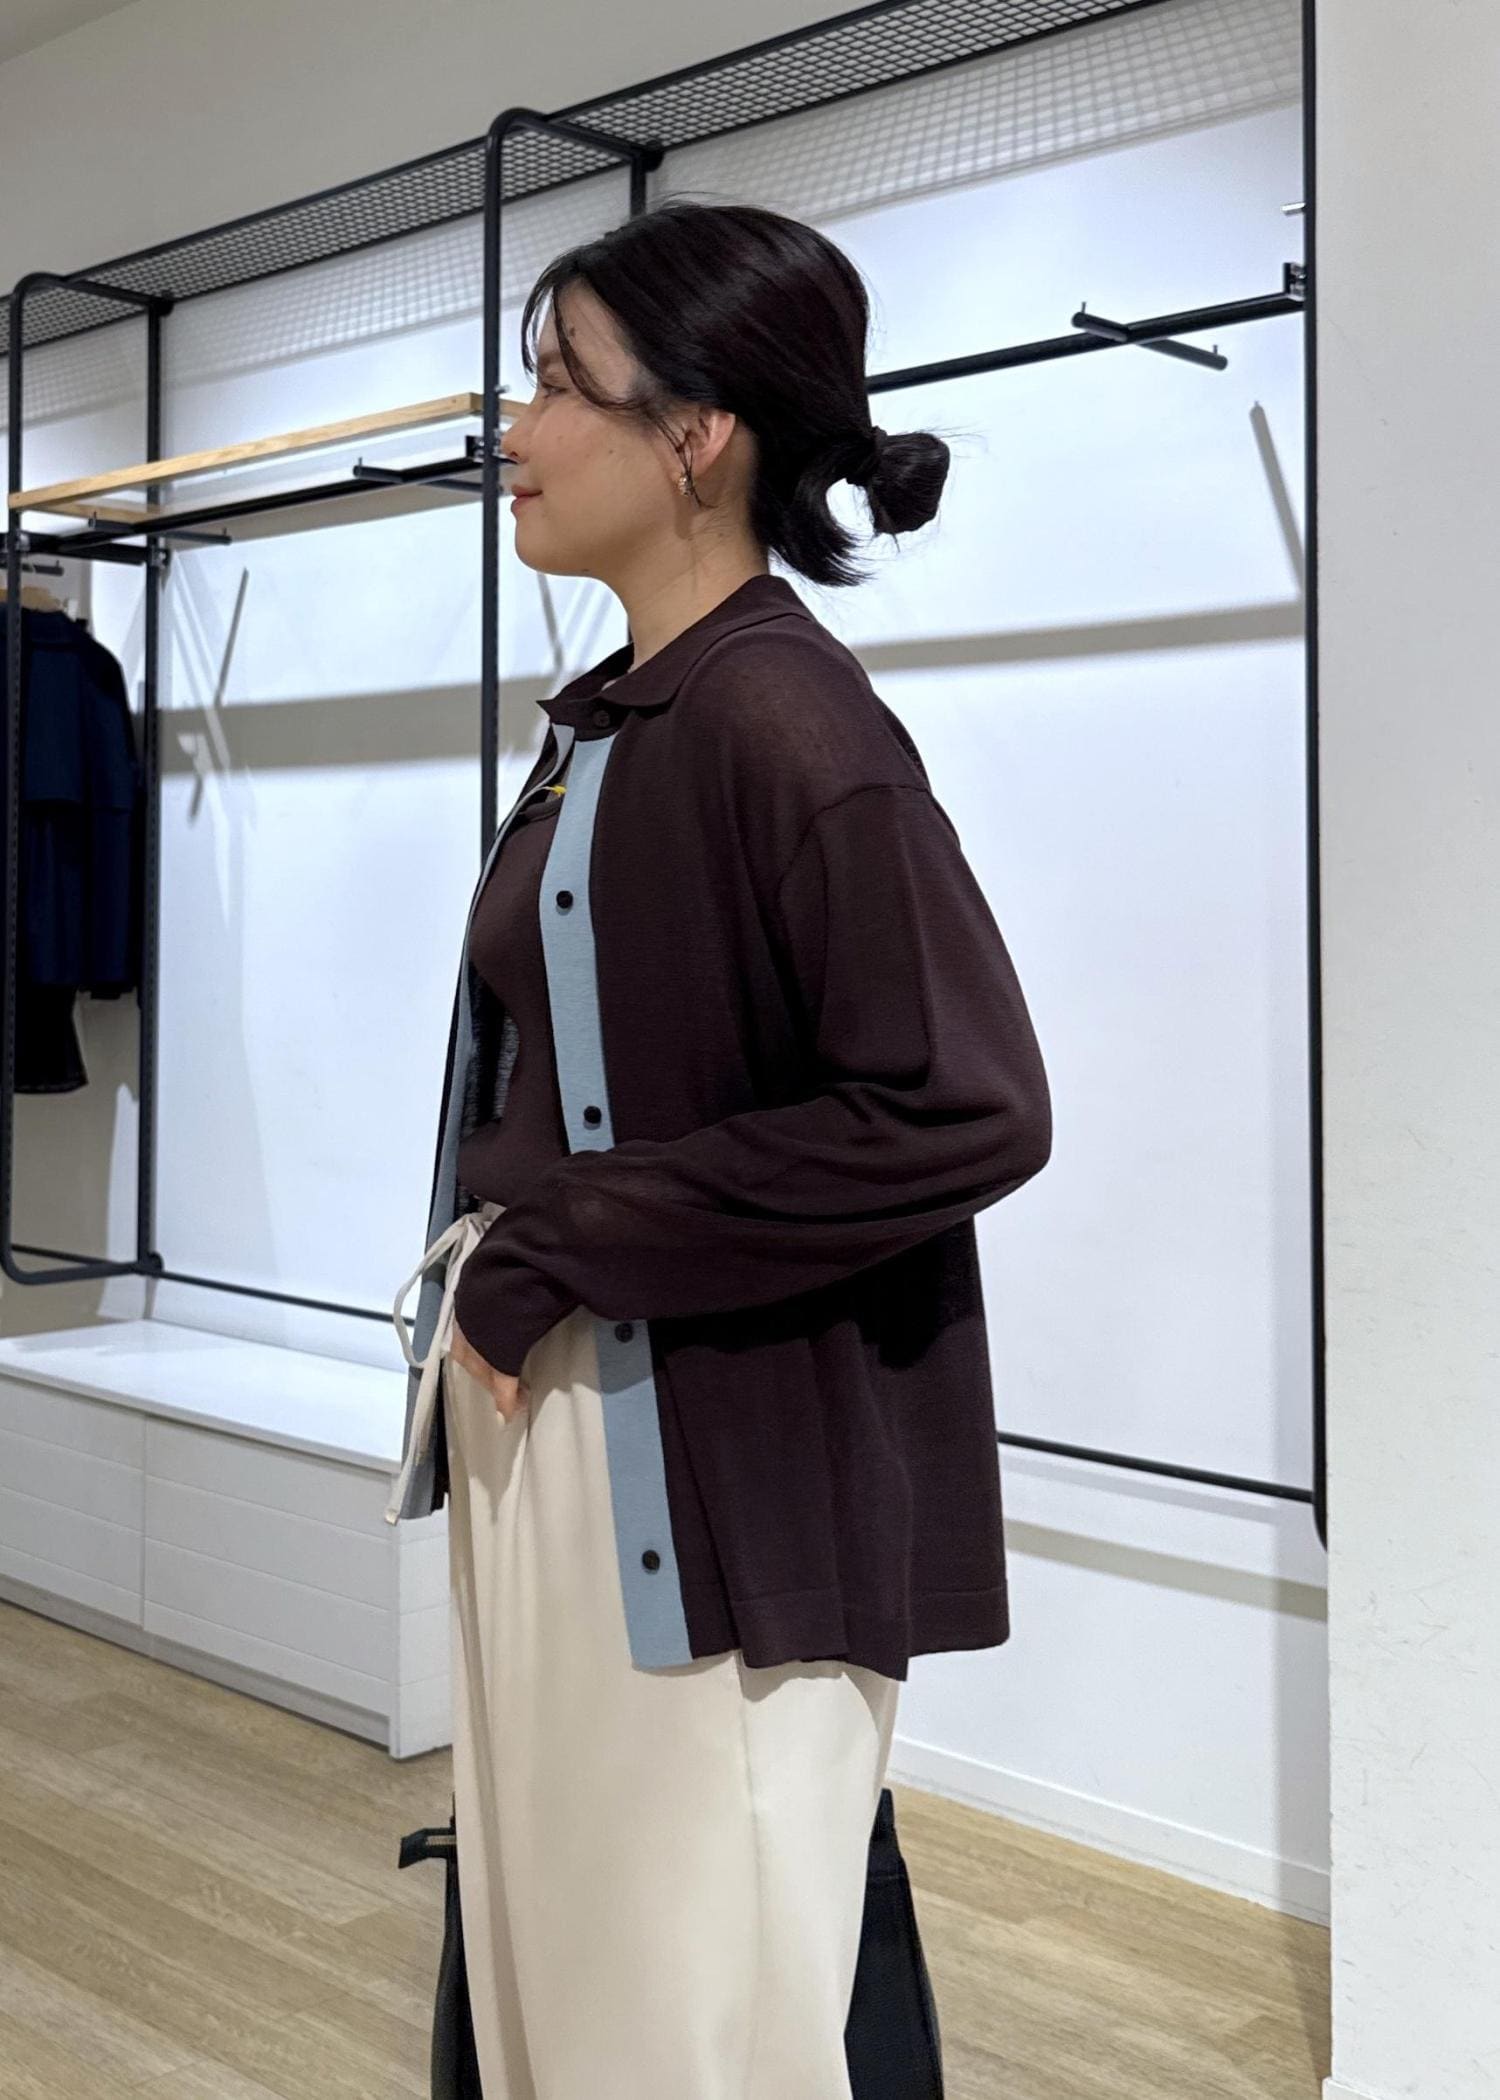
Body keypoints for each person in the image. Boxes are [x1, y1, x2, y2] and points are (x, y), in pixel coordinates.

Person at [390, 198, 1052, 2098]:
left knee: (694, 2024)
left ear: (696, 435)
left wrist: (561, 1244)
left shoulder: (782, 718)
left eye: (557, 385)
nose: (514, 428)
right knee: (580, 1998)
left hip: (704, 1478)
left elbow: (962, 1101)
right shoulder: (631, 714)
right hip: (588, 1426)